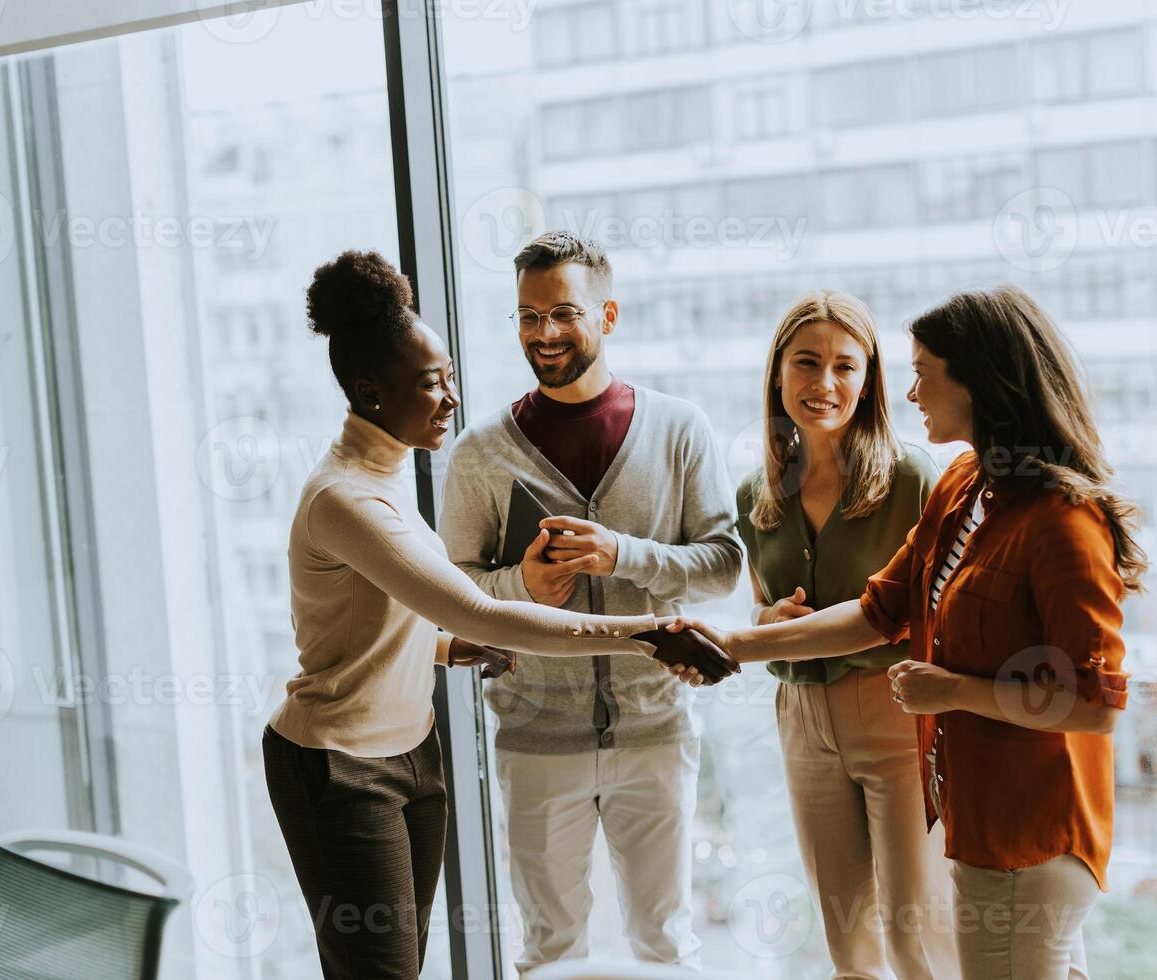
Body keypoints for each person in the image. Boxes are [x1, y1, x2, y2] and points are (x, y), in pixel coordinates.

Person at [262, 250, 733, 979]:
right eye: (430, 383)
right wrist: (642, 633)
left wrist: (448, 651)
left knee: (398, 967)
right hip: (342, 762)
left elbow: (391, 615)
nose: (450, 396)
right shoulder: (350, 497)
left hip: (412, 751)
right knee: (381, 971)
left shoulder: (383, 475)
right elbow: (479, 606)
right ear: (371, 392)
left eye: (450, 376)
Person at [663, 285, 1146, 979]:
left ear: (978, 379)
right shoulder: (965, 486)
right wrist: (729, 643)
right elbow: (876, 610)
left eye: (923, 372)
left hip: (1030, 833)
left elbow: (1095, 707)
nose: (911, 391)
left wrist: (951, 689)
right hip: (977, 814)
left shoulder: (1063, 524)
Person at [439, 231, 742, 973]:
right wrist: (520, 587)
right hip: (535, 736)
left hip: (657, 730)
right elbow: (450, 597)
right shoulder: (480, 454)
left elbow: (725, 565)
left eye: (563, 313)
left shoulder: (679, 430)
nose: (543, 333)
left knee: (663, 944)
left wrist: (622, 555)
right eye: (527, 316)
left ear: (607, 316)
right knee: (549, 951)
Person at [735, 290, 956, 978]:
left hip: (896, 716)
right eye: (806, 363)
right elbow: (764, 611)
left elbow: (946, 614)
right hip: (801, 720)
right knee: (846, 943)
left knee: (917, 937)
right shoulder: (755, 497)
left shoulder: (914, 479)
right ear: (777, 374)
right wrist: (763, 624)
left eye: (844, 367)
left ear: (869, 381)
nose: (823, 384)